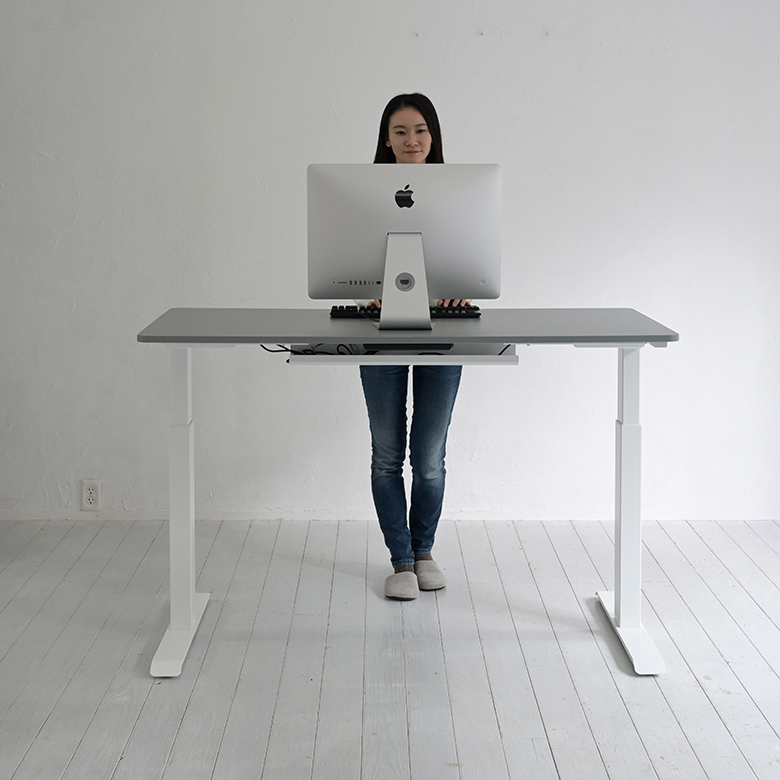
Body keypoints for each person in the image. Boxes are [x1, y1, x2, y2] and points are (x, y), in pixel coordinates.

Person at [361, 93, 465, 600]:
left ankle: (423, 553)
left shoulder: (458, 194)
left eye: (420, 130)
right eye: (400, 131)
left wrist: (460, 287)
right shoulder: (362, 196)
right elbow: (347, 261)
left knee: (428, 458)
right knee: (387, 455)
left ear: (433, 136)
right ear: (386, 139)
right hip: (381, 327)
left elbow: (472, 258)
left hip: (441, 325)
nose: (411, 140)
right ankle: (401, 560)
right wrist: (367, 288)